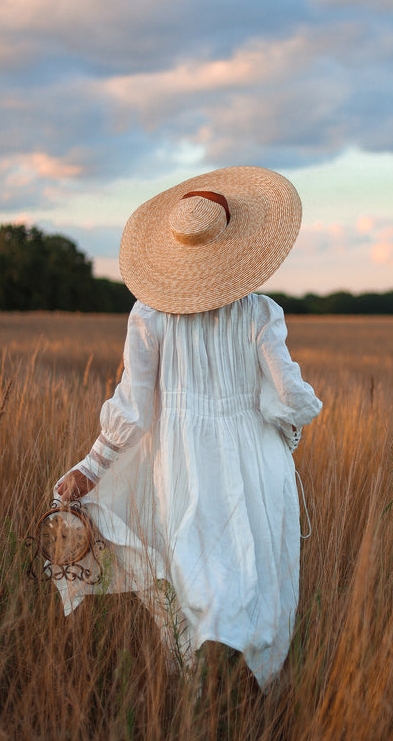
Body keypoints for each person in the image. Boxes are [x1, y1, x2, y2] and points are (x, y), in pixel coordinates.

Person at [53, 166, 322, 690]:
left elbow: (132, 410)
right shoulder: (260, 313)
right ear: (234, 244)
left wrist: (92, 467)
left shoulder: (148, 316)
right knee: (257, 569)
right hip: (255, 457)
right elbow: (291, 397)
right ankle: (260, 684)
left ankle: (197, 692)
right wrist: (285, 432)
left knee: (189, 569)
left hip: (180, 460)